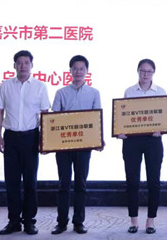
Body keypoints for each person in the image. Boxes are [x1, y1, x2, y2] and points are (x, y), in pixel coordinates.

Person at [0, 50, 51, 235]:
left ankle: (29, 221)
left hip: (31, 137)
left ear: (32, 65)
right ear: (14, 66)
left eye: (26, 62)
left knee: (30, 183)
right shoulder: (5, 85)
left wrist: (44, 139)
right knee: (11, 182)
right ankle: (13, 221)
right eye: (19, 63)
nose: (23, 66)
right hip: (10, 137)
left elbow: (45, 114)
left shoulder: (40, 87)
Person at [50, 55, 101, 235]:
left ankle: (79, 222)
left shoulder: (94, 93)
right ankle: (61, 222)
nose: (78, 72)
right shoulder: (61, 93)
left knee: (81, 184)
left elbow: (96, 119)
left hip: (84, 147)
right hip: (63, 147)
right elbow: (53, 121)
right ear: (70, 71)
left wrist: (99, 139)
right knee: (63, 185)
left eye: (81, 69)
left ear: (87, 71)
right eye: (75, 68)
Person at [120, 59, 167, 235]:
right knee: (132, 181)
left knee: (153, 182)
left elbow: (164, 118)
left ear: (154, 73)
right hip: (132, 141)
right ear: (138, 71)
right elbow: (123, 116)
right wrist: (120, 131)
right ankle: (134, 221)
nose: (146, 74)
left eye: (149, 71)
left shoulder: (160, 92)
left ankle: (150, 221)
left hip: (153, 141)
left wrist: (161, 129)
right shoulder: (129, 91)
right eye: (142, 71)